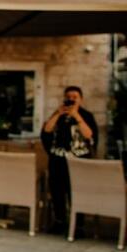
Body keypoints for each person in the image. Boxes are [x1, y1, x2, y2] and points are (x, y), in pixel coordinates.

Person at [41, 85, 98, 233]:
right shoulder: (58, 114)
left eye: (74, 97)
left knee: (77, 192)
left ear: (81, 99)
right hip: (58, 159)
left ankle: (78, 225)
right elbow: (47, 130)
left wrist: (76, 116)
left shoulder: (87, 116)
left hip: (79, 160)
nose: (71, 100)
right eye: (68, 97)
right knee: (57, 191)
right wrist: (57, 114)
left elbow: (89, 135)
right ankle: (59, 221)